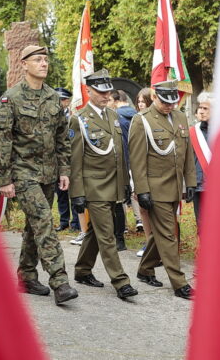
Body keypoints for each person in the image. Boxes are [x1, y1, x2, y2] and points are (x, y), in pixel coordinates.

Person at [0, 45, 79, 305]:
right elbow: (2, 141)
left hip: (49, 174)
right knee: (44, 222)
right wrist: (5, 179)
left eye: (46, 59)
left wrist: (64, 170)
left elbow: (62, 138)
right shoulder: (12, 98)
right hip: (23, 173)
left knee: (33, 227)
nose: (44, 63)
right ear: (25, 65)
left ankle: (26, 276)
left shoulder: (54, 97)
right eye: (38, 60)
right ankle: (60, 281)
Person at [68, 69, 138, 299]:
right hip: (94, 187)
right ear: (89, 91)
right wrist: (77, 193)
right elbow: (75, 160)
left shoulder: (113, 116)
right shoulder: (79, 119)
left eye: (108, 91)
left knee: (95, 233)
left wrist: (125, 184)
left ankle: (82, 270)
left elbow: (120, 153)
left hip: (114, 185)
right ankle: (121, 281)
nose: (106, 95)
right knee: (107, 233)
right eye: (100, 91)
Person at [129, 80, 196, 300]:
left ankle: (145, 269)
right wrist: (142, 191)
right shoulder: (142, 121)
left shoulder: (179, 117)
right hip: (155, 188)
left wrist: (191, 183)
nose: (169, 106)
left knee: (163, 233)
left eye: (172, 102)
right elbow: (137, 161)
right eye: (165, 102)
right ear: (155, 96)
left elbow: (186, 154)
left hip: (175, 187)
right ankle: (179, 283)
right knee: (169, 235)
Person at [111, 89, 136, 251]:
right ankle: (119, 239)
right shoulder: (135, 115)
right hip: (131, 163)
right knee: (120, 202)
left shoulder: (117, 118)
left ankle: (117, 237)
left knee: (116, 203)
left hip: (118, 163)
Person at [53, 87, 80, 232]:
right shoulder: (51, 116)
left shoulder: (73, 117)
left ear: (68, 101)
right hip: (57, 160)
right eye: (59, 99)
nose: (61, 102)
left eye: (63, 100)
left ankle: (76, 223)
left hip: (72, 160)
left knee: (74, 192)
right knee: (61, 193)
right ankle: (64, 221)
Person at [133, 88, 154, 257]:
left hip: (155, 173)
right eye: (139, 101)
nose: (141, 104)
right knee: (142, 209)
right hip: (139, 172)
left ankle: (158, 244)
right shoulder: (136, 120)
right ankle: (149, 241)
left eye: (144, 101)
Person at [190, 92, 213, 230]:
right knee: (202, 224)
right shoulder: (193, 132)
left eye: (206, 108)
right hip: (199, 184)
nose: (201, 111)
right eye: (200, 107)